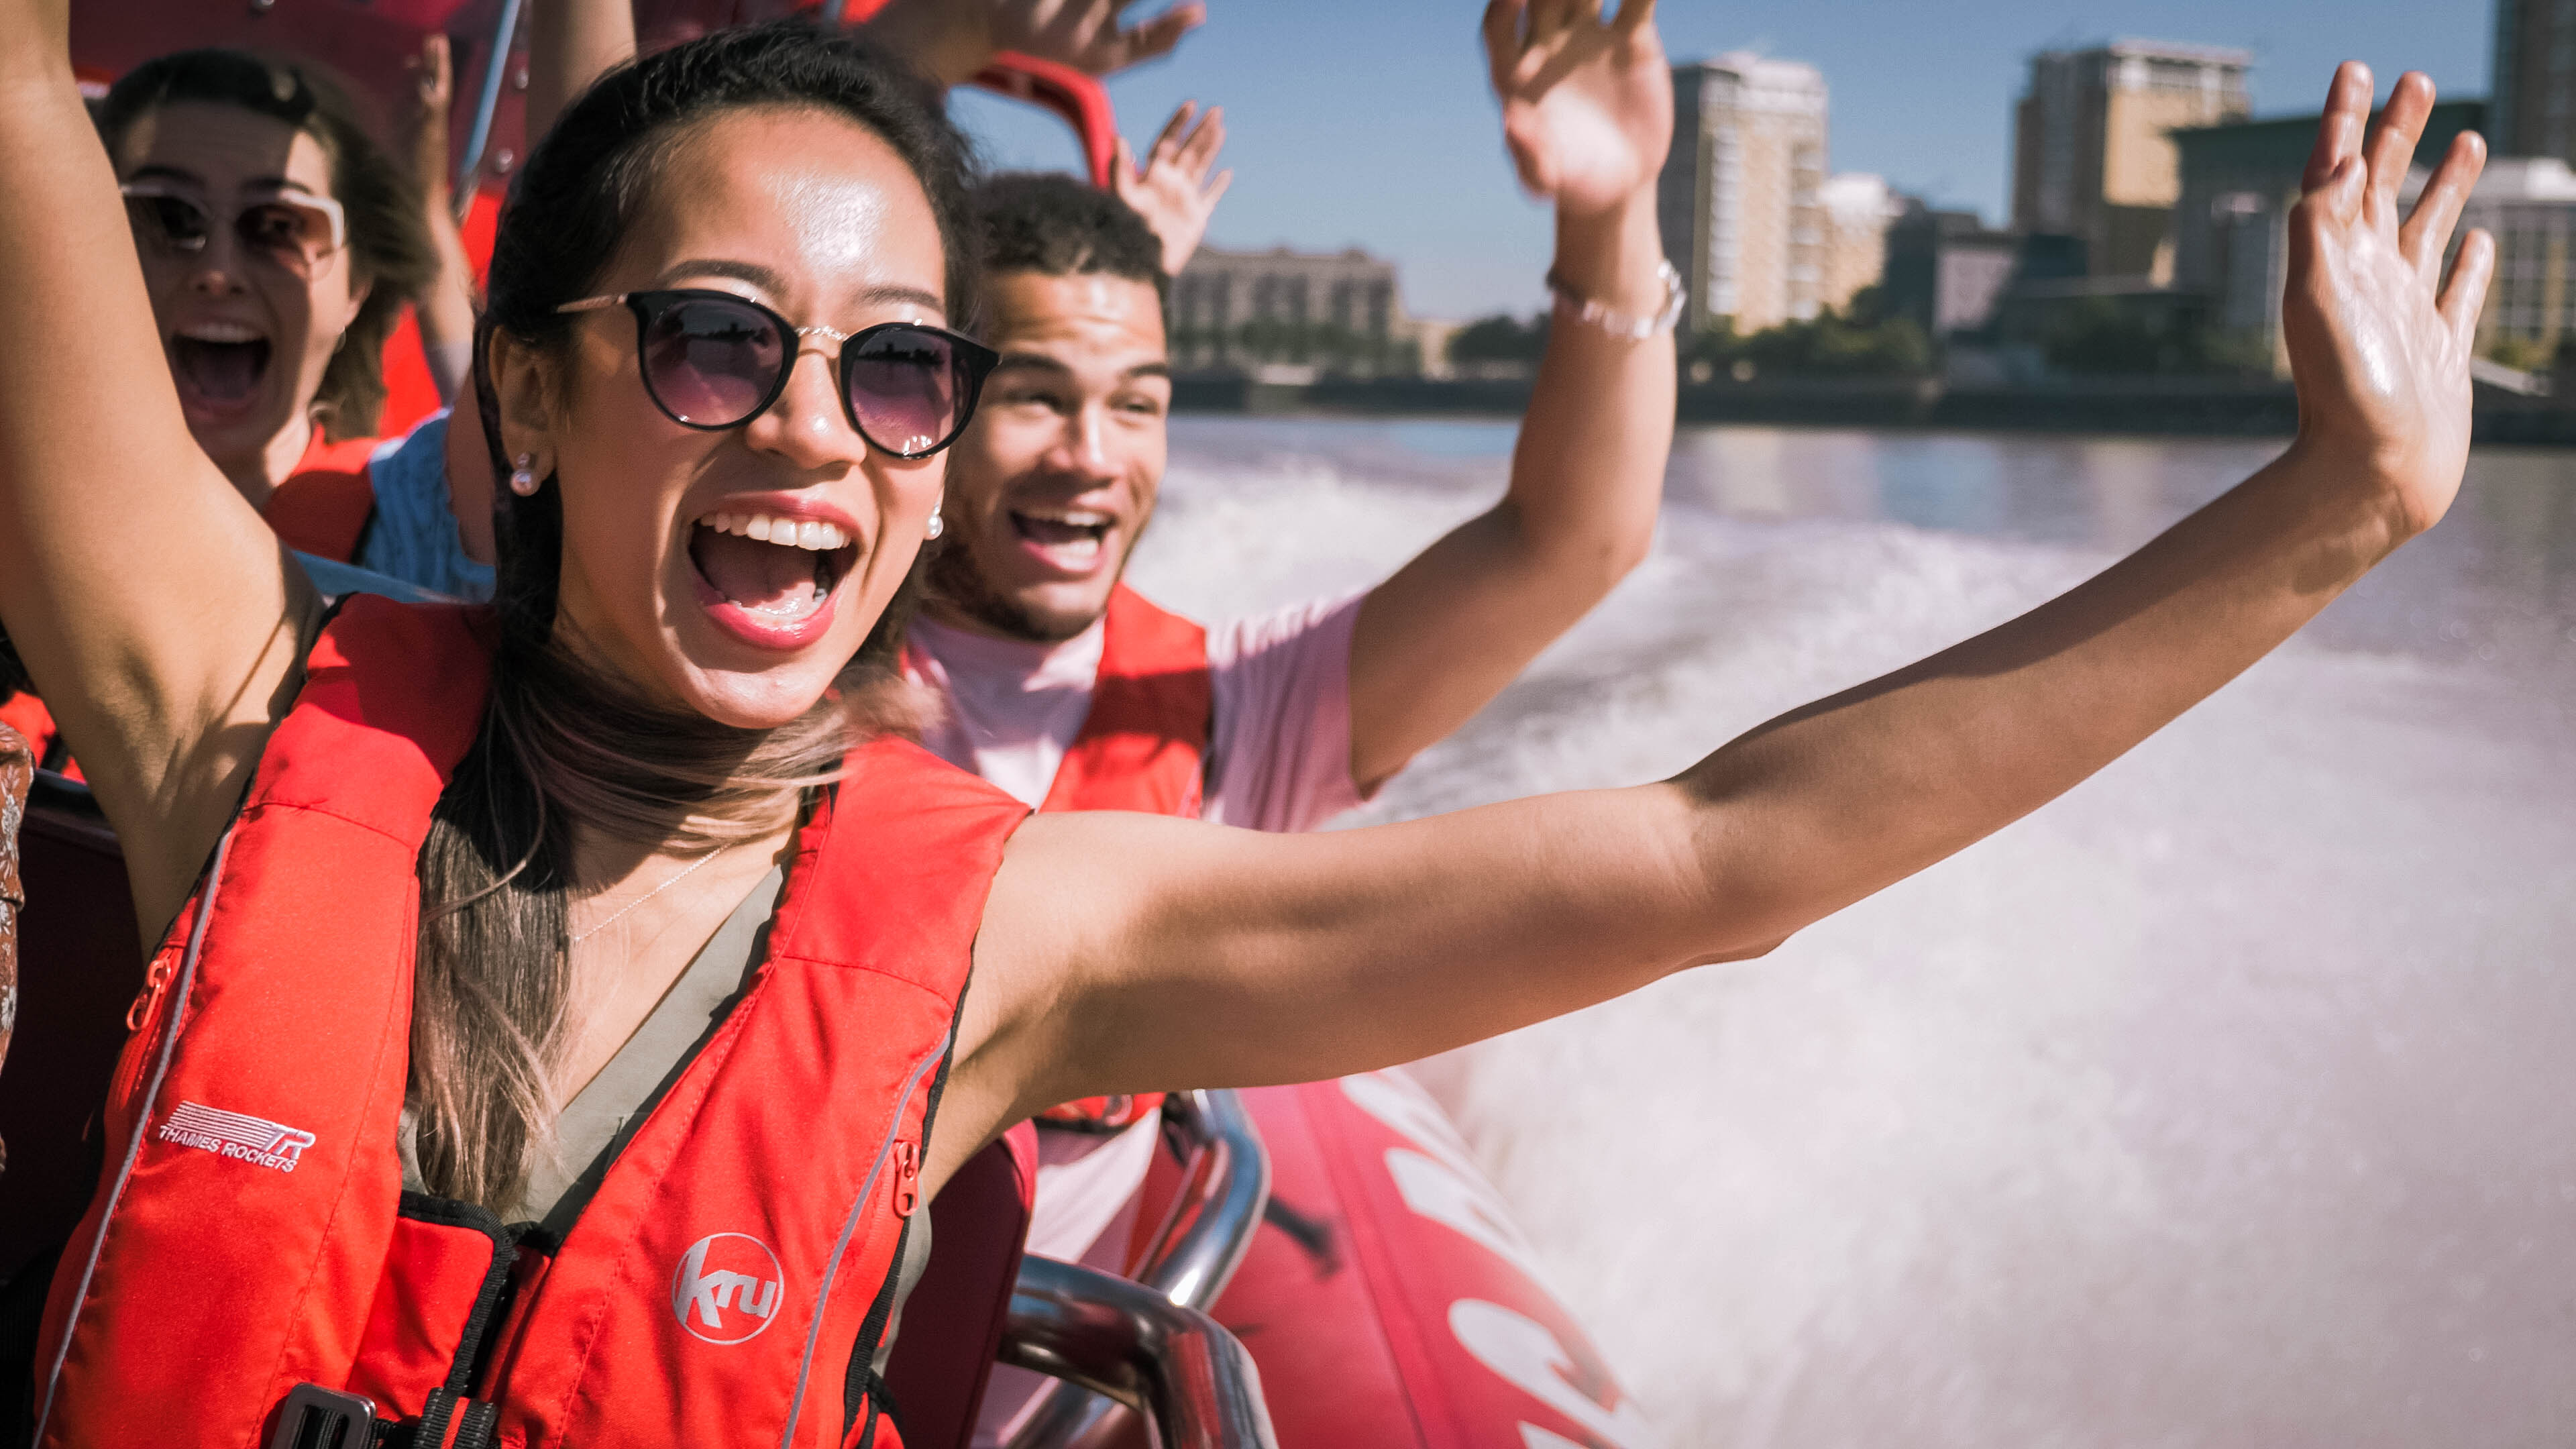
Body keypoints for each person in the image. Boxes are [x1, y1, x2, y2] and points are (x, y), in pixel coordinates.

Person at [0, 0, 2491, 1440]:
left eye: (895, 375)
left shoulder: (1021, 929)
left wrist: (2333, 511)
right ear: (525, 403)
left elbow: (1729, 851)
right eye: (711, 340)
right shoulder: (241, 698)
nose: (803, 432)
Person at [0, 46, 445, 769]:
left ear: (358, 283)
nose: (216, 272)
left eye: (279, 227)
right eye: (168, 217)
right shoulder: (15, 502)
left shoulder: (419, 526)